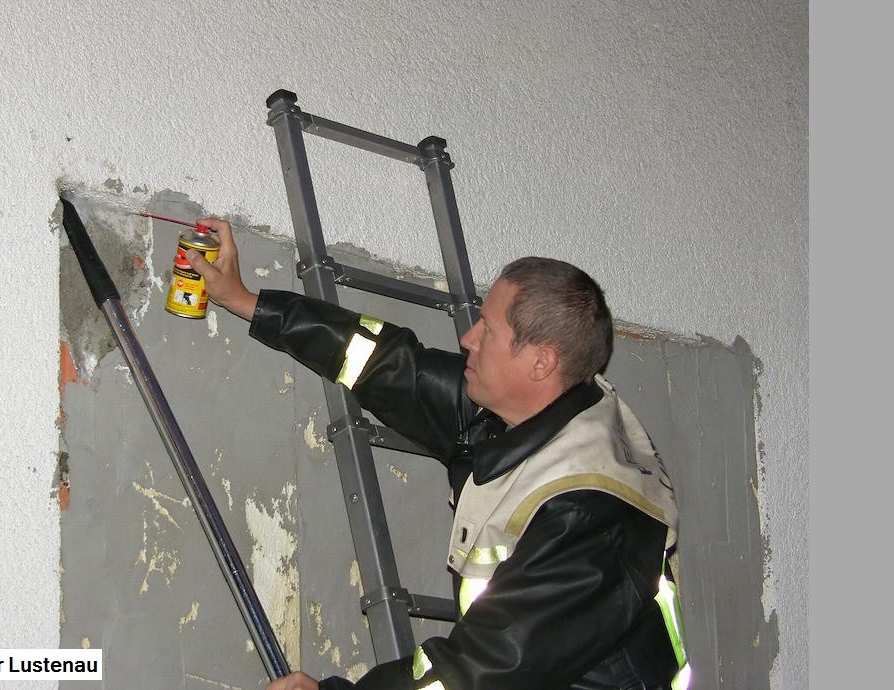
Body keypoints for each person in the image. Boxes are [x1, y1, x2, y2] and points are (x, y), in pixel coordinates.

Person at [188, 218, 688, 690]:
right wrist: (247, 301)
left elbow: (478, 673)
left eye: (488, 330)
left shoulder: (590, 514)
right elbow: (387, 363)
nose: (468, 339)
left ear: (540, 363)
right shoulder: (522, 417)